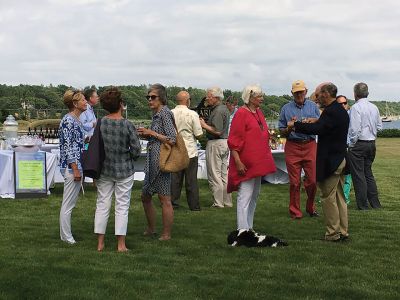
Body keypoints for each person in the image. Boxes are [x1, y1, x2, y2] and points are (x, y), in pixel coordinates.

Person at [289, 82, 350, 242]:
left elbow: (318, 130)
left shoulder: (330, 112)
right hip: (341, 158)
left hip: (332, 161)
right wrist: (316, 120)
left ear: (325, 94)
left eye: (317, 94)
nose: (316, 98)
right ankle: (343, 231)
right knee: (340, 197)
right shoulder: (339, 110)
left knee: (328, 197)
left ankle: (332, 233)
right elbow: (325, 126)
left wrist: (295, 124)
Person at [93, 87, 141, 252]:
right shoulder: (127, 124)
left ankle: (100, 243)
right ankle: (121, 244)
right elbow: (136, 150)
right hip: (124, 169)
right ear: (121, 104)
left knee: (102, 204)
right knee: (122, 206)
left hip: (104, 169)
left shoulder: (100, 123)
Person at [227, 85, 276, 231]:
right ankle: (242, 230)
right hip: (246, 163)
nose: (262, 99)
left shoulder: (258, 112)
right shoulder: (241, 114)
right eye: (259, 96)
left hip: (258, 163)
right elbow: (234, 140)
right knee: (245, 196)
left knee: (254, 196)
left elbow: (259, 132)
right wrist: (238, 161)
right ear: (250, 97)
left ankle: (249, 227)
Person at [138, 84, 176, 241]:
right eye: (148, 97)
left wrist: (151, 132)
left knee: (164, 199)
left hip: (162, 162)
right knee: (145, 196)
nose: (149, 100)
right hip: (152, 162)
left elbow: (172, 139)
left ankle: (166, 234)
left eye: (153, 97)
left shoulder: (165, 114)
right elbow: (159, 136)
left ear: (161, 98)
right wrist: (145, 135)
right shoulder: (156, 114)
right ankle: (151, 228)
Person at [278, 80, 320, 219]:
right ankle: (295, 212)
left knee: (313, 180)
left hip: (309, 144)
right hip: (292, 145)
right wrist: (289, 128)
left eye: (301, 92)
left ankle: (310, 207)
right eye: (296, 92)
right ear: (292, 93)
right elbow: (282, 131)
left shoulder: (313, 107)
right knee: (294, 182)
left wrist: (313, 122)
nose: (299, 95)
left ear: (306, 91)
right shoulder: (286, 108)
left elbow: (321, 126)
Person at [347, 83, 382, 210]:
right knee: (368, 173)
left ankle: (363, 205)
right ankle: (375, 203)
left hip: (359, 144)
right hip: (371, 144)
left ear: (355, 94)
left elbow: (355, 130)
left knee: (358, 175)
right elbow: (379, 126)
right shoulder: (374, 107)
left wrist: (351, 144)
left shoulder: (356, 108)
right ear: (367, 93)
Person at [59, 89, 87, 244]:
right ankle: (66, 236)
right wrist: (75, 169)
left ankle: (65, 234)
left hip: (76, 165)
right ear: (75, 103)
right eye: (83, 100)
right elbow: (69, 146)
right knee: (68, 204)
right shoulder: (69, 120)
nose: (86, 102)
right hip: (72, 167)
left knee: (70, 203)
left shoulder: (76, 120)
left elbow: (75, 143)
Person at [171, 91, 203, 211]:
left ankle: (173, 203)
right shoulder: (192, 114)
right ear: (187, 100)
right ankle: (194, 206)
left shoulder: (171, 113)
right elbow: (199, 134)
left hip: (176, 150)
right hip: (190, 150)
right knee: (191, 181)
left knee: (175, 180)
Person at [199, 87, 231, 208]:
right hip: (224, 143)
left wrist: (203, 125)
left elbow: (217, 131)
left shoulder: (217, 111)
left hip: (216, 143)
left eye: (209, 96)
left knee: (214, 174)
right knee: (223, 174)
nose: (207, 98)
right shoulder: (224, 109)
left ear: (216, 97)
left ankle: (218, 203)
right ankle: (227, 201)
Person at [336, 95, 352, 204]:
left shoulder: (351, 116)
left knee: (347, 174)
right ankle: (332, 195)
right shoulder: (332, 117)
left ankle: (345, 197)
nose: (342, 105)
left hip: (348, 147)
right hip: (335, 149)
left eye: (344, 103)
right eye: (339, 103)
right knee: (334, 175)